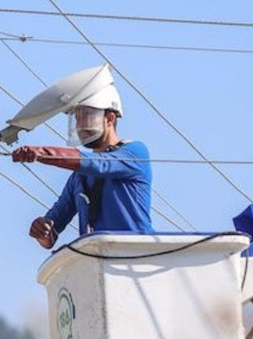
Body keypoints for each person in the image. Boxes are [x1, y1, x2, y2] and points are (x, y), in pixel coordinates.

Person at [12, 84, 153, 249]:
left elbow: (101, 164)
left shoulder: (135, 152)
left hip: (138, 256)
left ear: (110, 119)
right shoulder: (80, 177)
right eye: (77, 117)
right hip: (100, 259)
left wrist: (43, 153)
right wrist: (43, 231)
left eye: (87, 115)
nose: (80, 124)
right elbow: (54, 226)